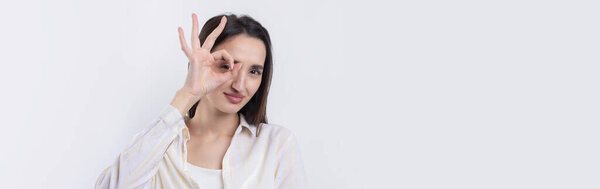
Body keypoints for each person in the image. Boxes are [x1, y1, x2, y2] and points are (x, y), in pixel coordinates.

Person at [95, 13, 307, 189]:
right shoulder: (160, 143)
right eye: (227, 65)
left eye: (254, 71)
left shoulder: (277, 144)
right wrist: (187, 94)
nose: (240, 85)